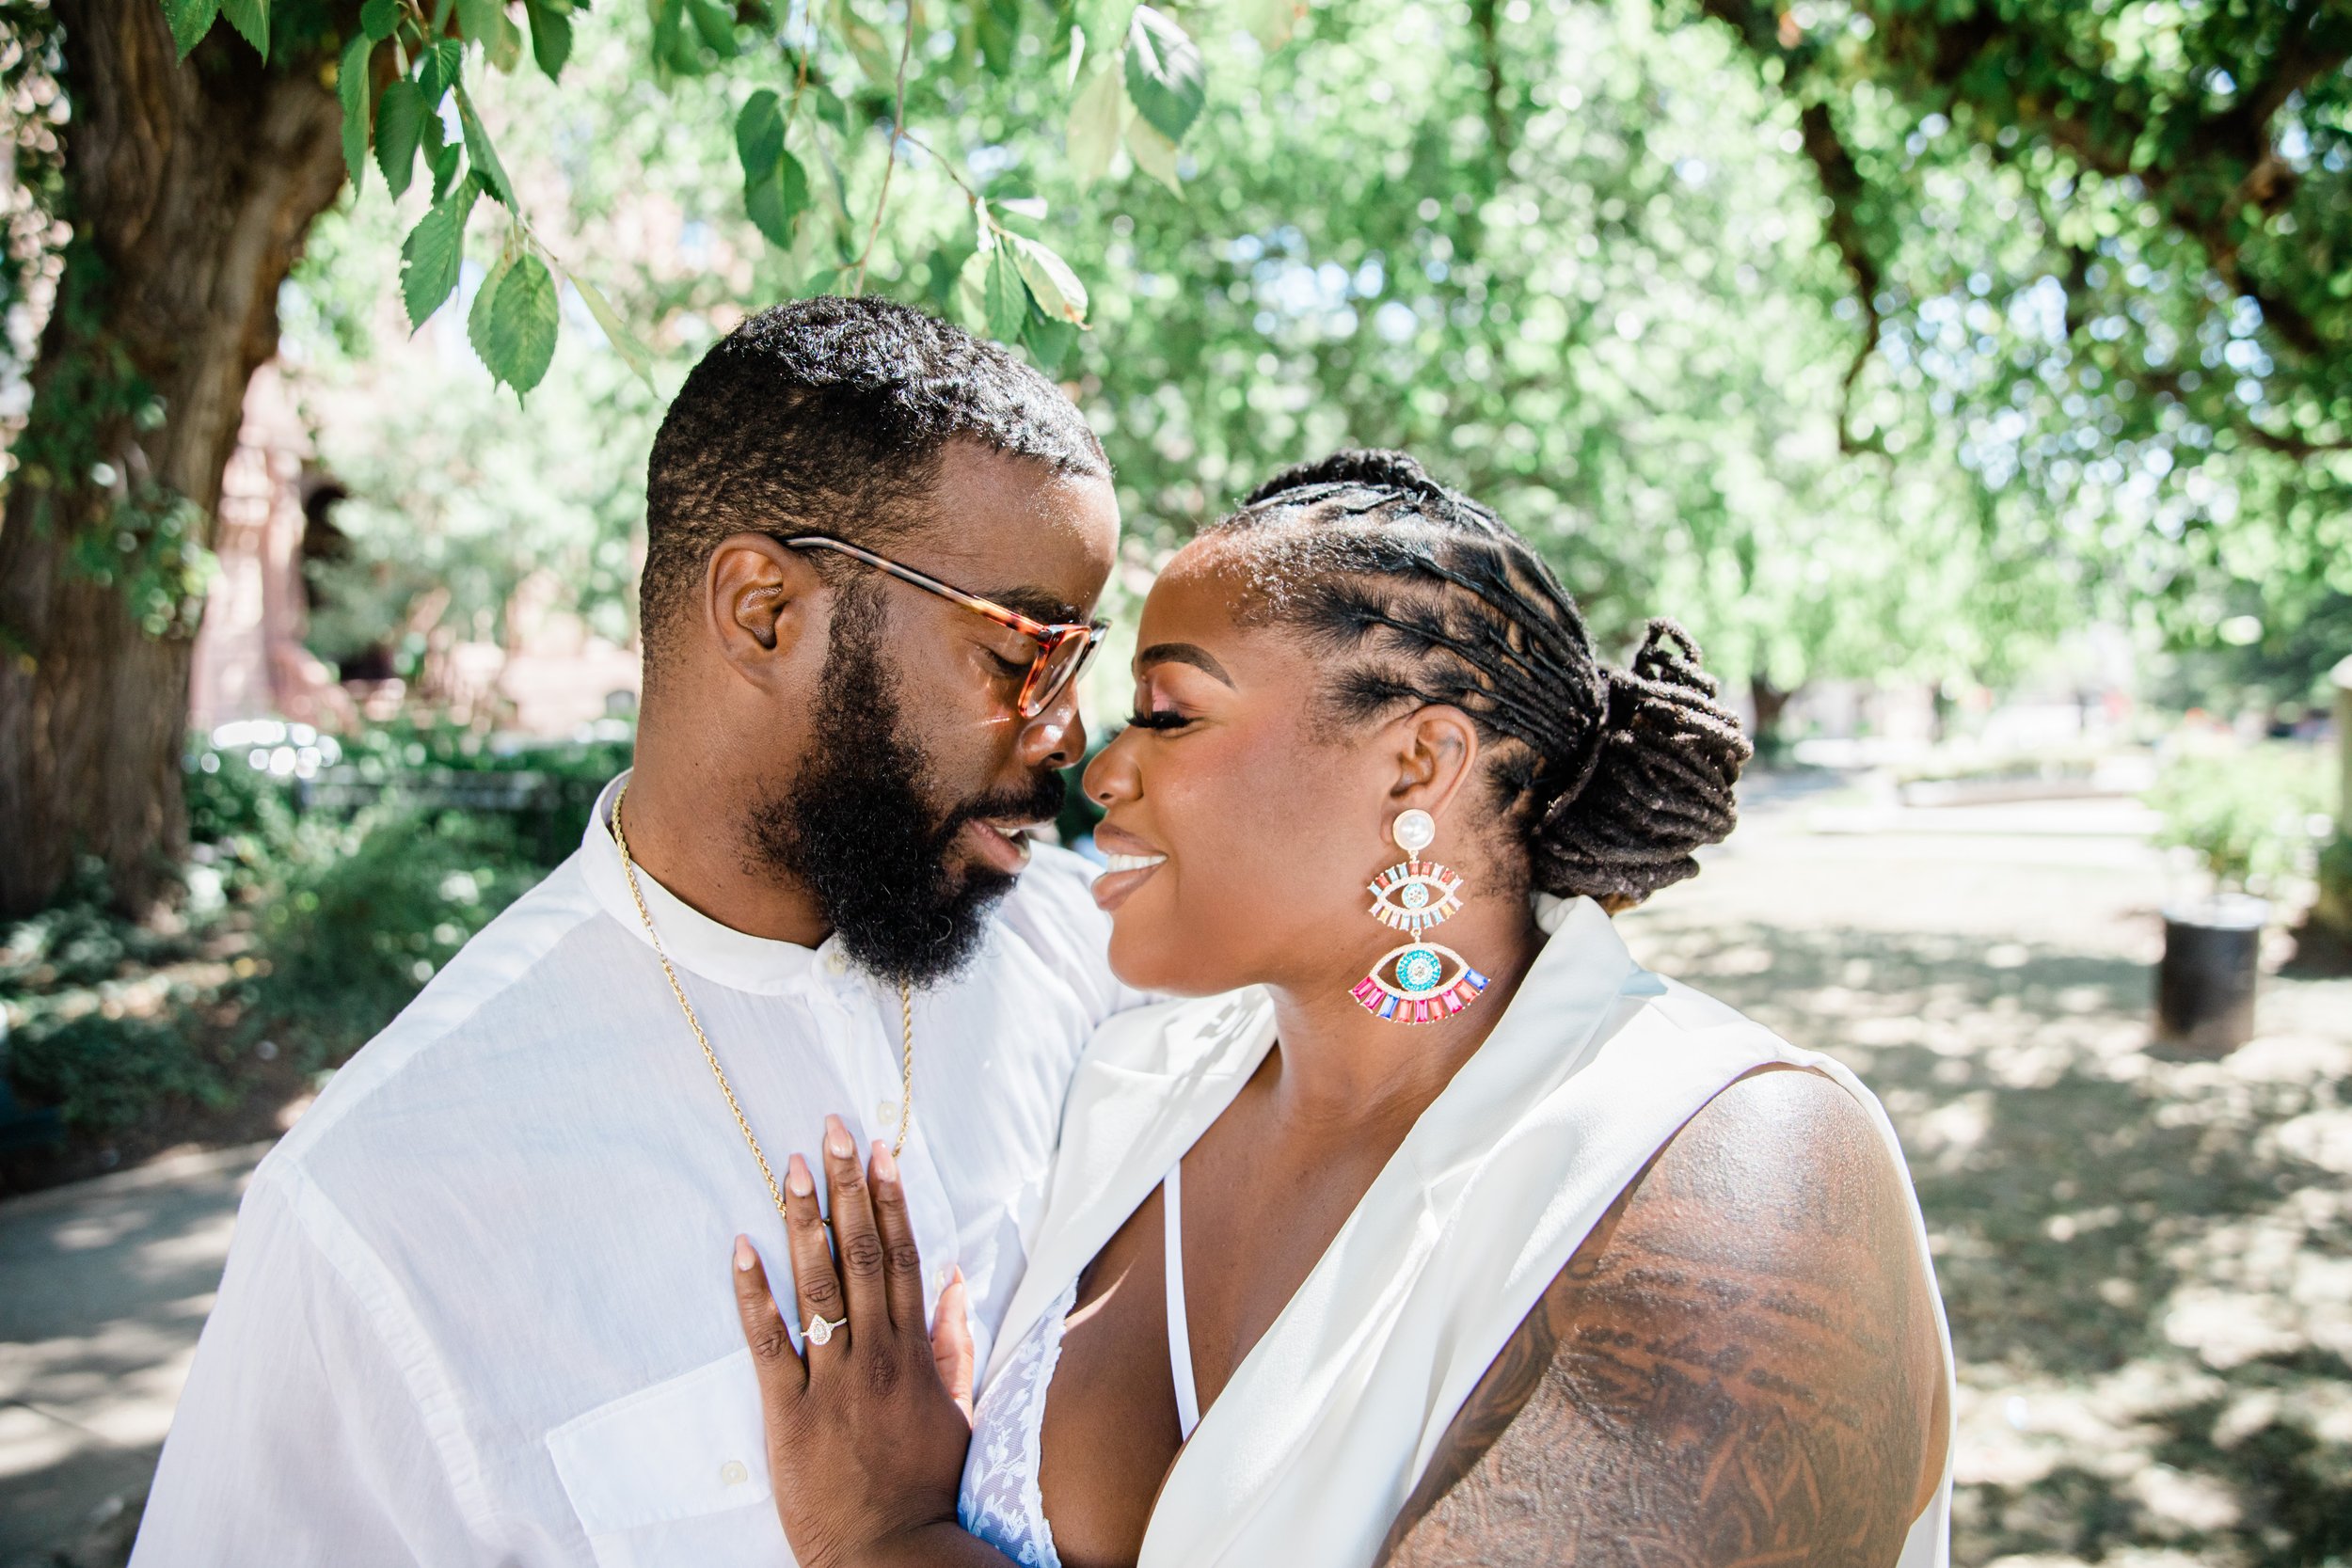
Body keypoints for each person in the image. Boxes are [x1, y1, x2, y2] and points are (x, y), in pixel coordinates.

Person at [729, 451, 1956, 1567]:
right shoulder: (1127, 1089)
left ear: (1417, 766)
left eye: (1170, 712)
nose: (1101, 768)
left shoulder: (1737, 1168)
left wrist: (887, 1542)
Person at [130, 297, 1143, 1566]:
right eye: (1025, 653)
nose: (1067, 735)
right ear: (765, 610)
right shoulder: (381, 1204)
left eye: (1081, 659)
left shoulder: (1086, 960)